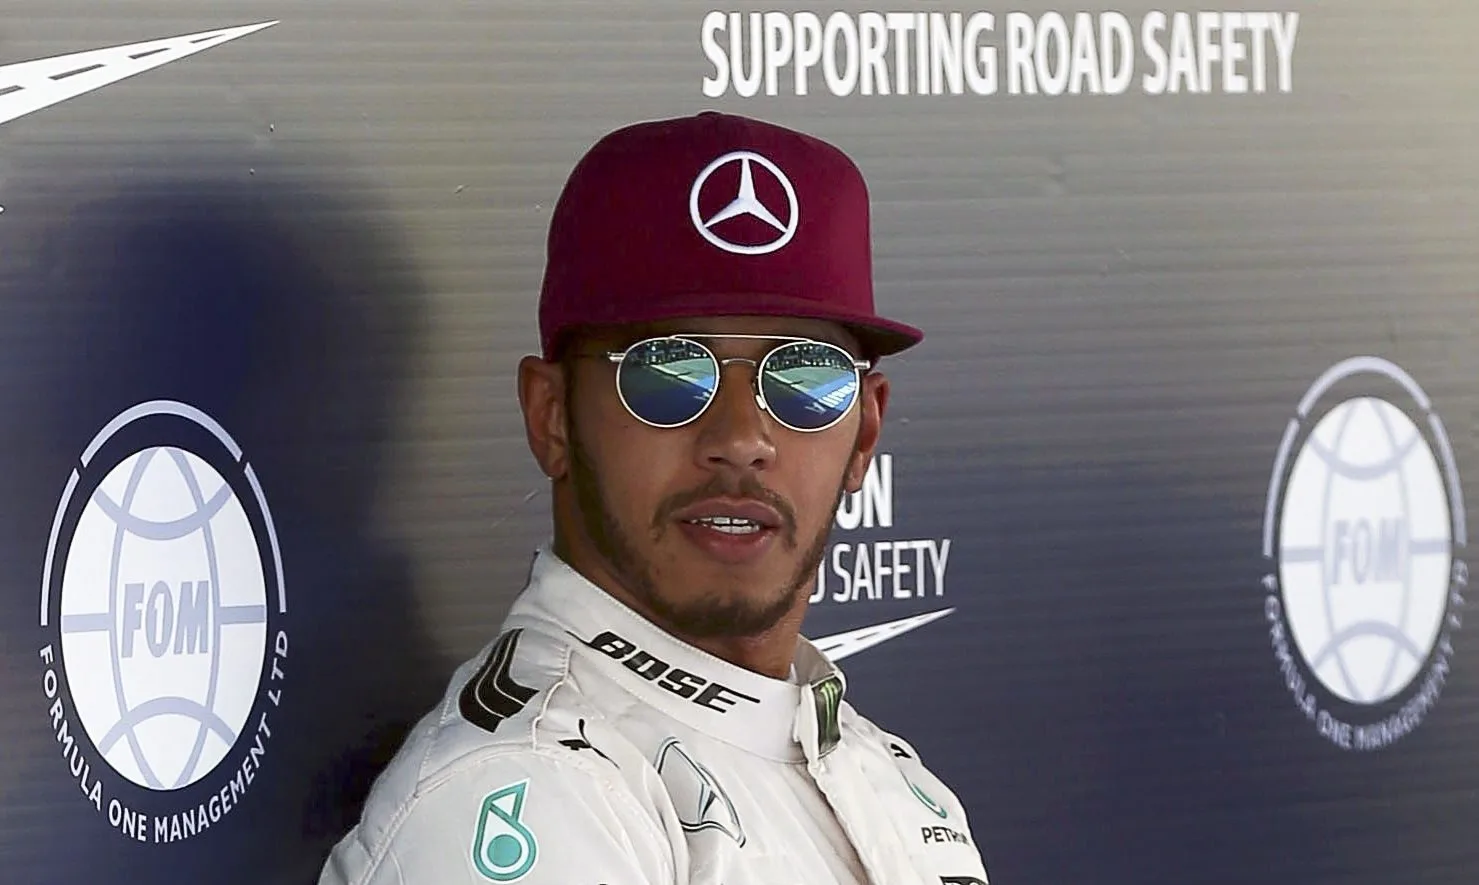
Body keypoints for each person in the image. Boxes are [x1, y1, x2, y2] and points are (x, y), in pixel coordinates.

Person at [318, 110, 991, 885]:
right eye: (666, 372)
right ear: (553, 416)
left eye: (805, 377)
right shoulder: (526, 797)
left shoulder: (890, 781)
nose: (742, 435)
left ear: (864, 430)